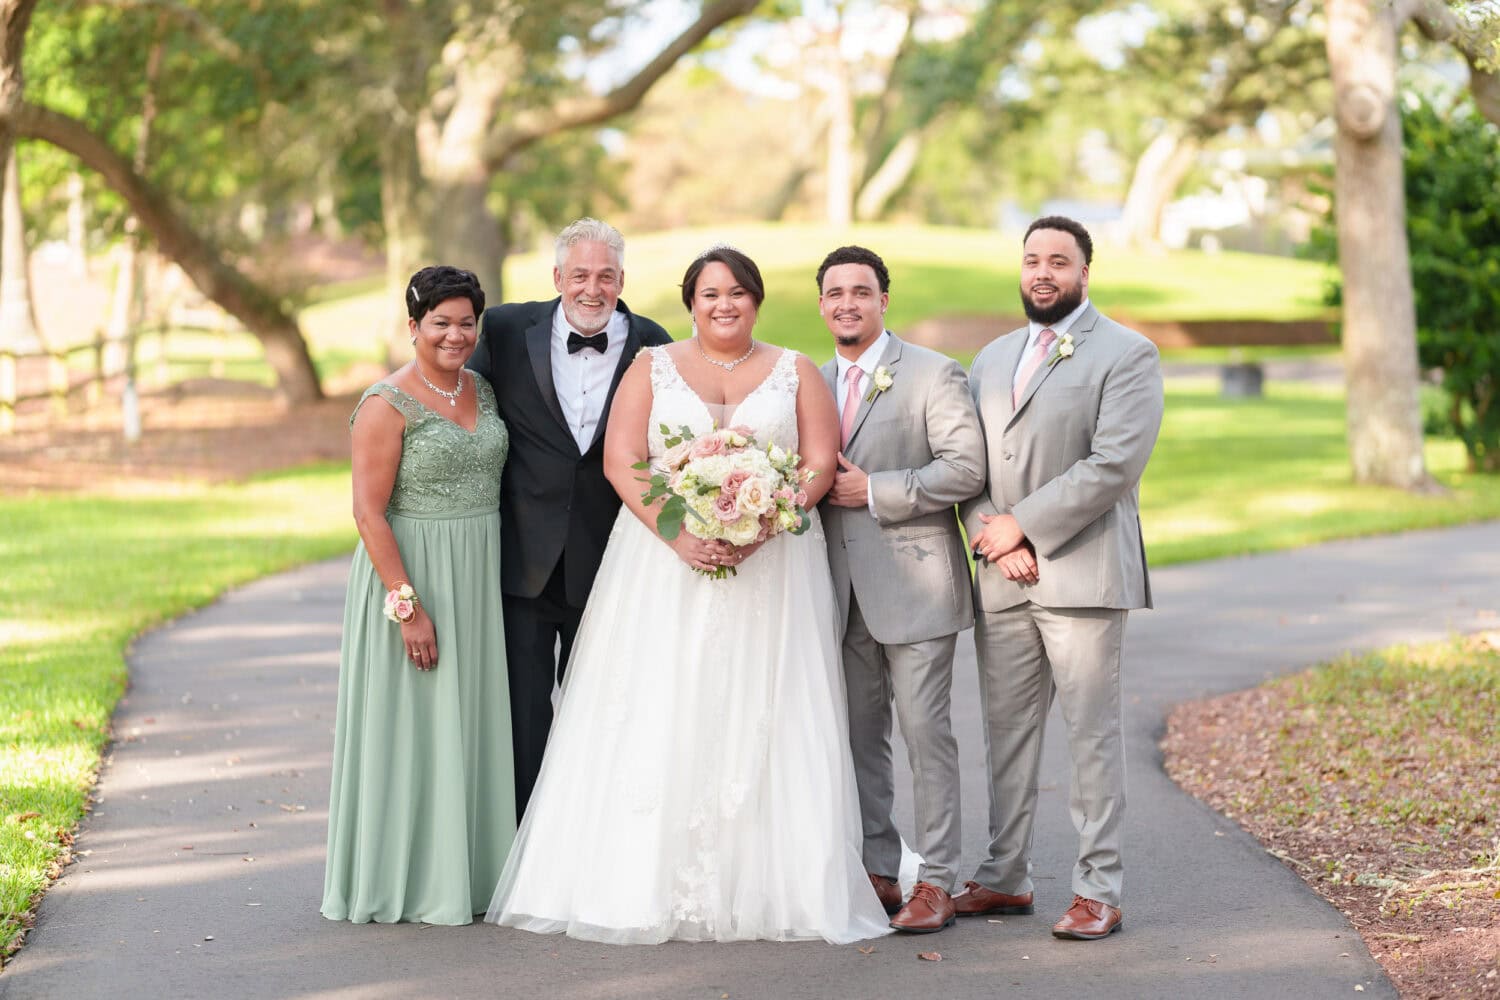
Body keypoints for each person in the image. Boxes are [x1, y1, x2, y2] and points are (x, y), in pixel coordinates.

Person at [485, 246, 891, 945]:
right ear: (690, 303)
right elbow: (623, 460)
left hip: (773, 567)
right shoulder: (652, 365)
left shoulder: (795, 371)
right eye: (709, 294)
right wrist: (679, 534)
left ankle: (776, 877)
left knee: (765, 705)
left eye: (736, 292)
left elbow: (821, 461)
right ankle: (640, 875)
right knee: (659, 702)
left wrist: (764, 522)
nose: (723, 305)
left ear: (757, 300)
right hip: (662, 564)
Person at [958, 216, 1164, 940]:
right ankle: (1005, 875)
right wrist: (990, 529)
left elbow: (1113, 463)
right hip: (1002, 572)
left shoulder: (1128, 353)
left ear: (1085, 271)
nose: (1043, 271)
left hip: (1081, 572)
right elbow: (966, 463)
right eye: (1032, 259)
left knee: (1090, 737)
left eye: (1059, 260)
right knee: (1006, 732)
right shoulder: (991, 357)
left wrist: (1025, 525)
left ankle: (1098, 888)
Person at [323, 266, 516, 925]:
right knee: (413, 728)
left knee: (469, 722)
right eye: (441, 322)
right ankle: (400, 879)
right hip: (412, 574)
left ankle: (473, 874)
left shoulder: (483, 391)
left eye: (467, 323)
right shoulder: (385, 403)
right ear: (413, 327)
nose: (456, 335)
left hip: (478, 575)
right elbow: (368, 513)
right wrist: (407, 606)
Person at [466, 219, 670, 818]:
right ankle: (526, 847)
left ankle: (591, 839)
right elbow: (454, 400)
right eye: (579, 274)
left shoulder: (655, 344)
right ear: (557, 277)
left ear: (622, 280)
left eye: (605, 276)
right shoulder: (504, 330)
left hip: (613, 564)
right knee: (524, 716)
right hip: (521, 560)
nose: (592, 288)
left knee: (605, 712)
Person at [815, 246, 985, 934]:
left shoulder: (931, 373)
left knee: (925, 735)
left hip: (914, 584)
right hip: (837, 587)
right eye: (835, 293)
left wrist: (877, 491)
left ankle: (938, 879)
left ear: (884, 299)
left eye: (861, 291)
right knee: (858, 737)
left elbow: (966, 467)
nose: (847, 303)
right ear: (822, 303)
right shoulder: (810, 379)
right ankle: (879, 869)